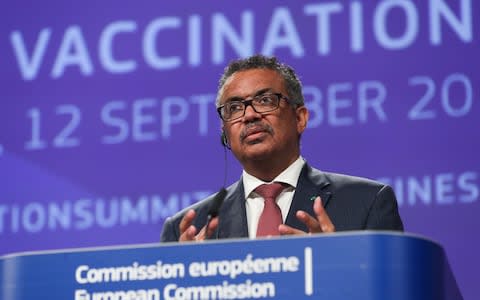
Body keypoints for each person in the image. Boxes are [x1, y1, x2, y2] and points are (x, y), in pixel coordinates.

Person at [160, 54, 403, 242]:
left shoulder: (367, 202)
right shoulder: (189, 231)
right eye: (234, 108)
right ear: (225, 132)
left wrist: (334, 264)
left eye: (265, 100)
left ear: (300, 118)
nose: (250, 115)